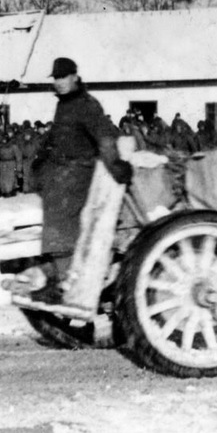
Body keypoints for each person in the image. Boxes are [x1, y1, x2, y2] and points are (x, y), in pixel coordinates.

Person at [28, 58, 130, 304]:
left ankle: (66, 275)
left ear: (75, 77)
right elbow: (57, 137)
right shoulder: (65, 104)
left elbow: (104, 138)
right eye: (56, 78)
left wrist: (116, 166)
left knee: (61, 211)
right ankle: (52, 268)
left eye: (63, 77)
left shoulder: (86, 104)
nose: (59, 82)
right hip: (60, 171)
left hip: (78, 173)